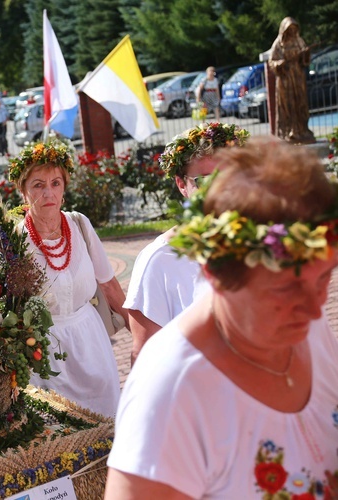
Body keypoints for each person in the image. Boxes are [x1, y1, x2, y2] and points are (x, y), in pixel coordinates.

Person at [105, 138, 338, 499]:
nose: (312, 310)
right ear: (216, 273)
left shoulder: (311, 327)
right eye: (283, 291)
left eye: (323, 278)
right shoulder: (171, 392)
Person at [10, 142, 127, 417]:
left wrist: (143, 339)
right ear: (23, 191)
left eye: (55, 183)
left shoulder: (80, 225)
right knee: (59, 430)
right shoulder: (14, 240)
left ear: (64, 188)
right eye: (38, 185)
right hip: (45, 355)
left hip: (91, 344)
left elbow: (109, 284)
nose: (48, 192)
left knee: (109, 422)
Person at [124, 123, 249, 365]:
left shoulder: (260, 240)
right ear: (182, 185)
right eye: (204, 180)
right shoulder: (159, 260)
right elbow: (145, 359)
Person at [268, 17, 315, 144]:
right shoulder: (279, 43)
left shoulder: (298, 40)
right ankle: (288, 131)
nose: (292, 32)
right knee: (287, 105)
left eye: (294, 29)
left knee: (300, 102)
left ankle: (302, 130)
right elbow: (271, 61)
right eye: (290, 29)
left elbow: (305, 60)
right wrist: (279, 64)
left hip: (298, 76)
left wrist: (305, 54)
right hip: (285, 78)